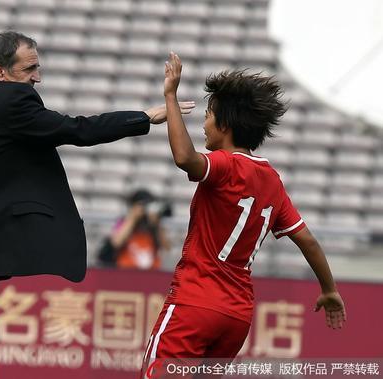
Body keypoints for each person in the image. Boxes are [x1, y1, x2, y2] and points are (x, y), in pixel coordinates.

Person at [0, 32, 194, 379]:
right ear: (1, 73)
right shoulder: (11, 101)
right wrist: (143, 117)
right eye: (29, 68)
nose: (37, 77)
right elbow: (76, 130)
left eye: (38, 67)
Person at [141, 53, 346, 375]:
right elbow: (306, 239)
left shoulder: (225, 165)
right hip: (236, 316)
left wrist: (170, 95)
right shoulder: (272, 180)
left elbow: (184, 158)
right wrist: (329, 289)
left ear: (224, 124)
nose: (204, 124)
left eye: (208, 115)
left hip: (195, 302)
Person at [98, 189, 171, 270]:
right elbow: (116, 243)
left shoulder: (154, 225)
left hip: (151, 274)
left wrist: (157, 223)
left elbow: (167, 248)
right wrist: (133, 218)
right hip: (126, 272)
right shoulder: (124, 222)